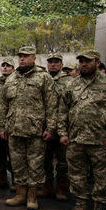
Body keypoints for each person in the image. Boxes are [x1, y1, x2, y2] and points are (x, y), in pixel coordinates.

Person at [59, 50, 106, 210]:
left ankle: (100, 208)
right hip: (76, 138)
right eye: (81, 61)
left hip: (100, 140)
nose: (84, 64)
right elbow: (63, 110)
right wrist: (62, 132)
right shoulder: (71, 84)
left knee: (102, 175)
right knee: (76, 174)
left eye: (87, 61)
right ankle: (80, 203)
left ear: (97, 62)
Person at [0, 46, 58, 210]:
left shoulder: (44, 78)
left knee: (35, 164)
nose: (22, 59)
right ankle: (20, 194)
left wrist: (51, 128)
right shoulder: (11, 79)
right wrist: (2, 127)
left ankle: (32, 196)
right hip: (14, 129)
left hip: (35, 130)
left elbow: (52, 105)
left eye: (26, 56)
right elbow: (3, 105)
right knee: (17, 164)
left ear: (34, 58)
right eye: (20, 56)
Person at [40, 53, 71, 200]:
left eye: (56, 62)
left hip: (63, 127)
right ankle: (47, 187)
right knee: (45, 160)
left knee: (63, 161)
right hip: (44, 126)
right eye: (50, 62)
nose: (52, 64)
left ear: (61, 64)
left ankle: (61, 188)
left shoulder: (69, 81)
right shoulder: (43, 79)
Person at [0, 57, 15, 190]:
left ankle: (16, 182)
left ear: (13, 68)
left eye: (8, 66)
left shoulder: (17, 81)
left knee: (13, 155)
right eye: (3, 65)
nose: (5, 67)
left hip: (11, 123)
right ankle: (2, 178)